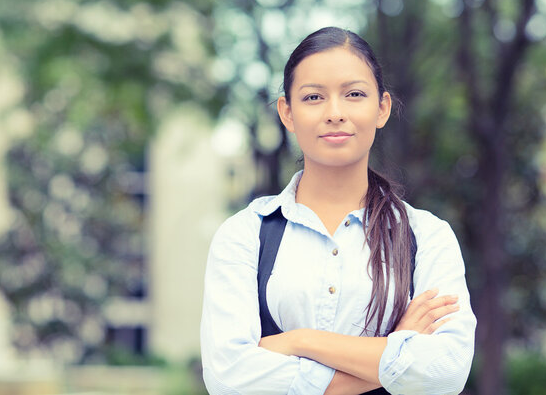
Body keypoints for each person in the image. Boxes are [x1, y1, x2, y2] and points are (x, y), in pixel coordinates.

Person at [200, 26, 476, 395]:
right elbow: (229, 376)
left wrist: (300, 341)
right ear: (288, 113)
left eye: (354, 94)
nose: (334, 113)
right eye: (313, 97)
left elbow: (445, 373)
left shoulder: (426, 235)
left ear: (382, 108)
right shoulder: (245, 234)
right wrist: (396, 347)